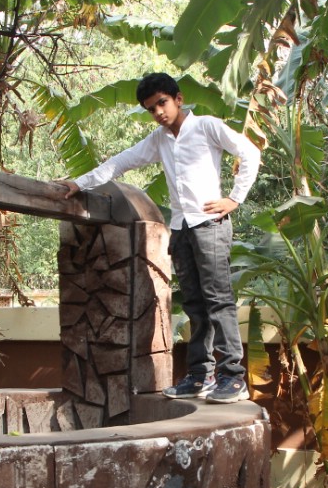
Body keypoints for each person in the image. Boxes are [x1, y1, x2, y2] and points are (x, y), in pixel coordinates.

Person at [59, 73, 260, 403]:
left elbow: (249, 152)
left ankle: (233, 377)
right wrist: (80, 184)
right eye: (151, 108)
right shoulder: (159, 140)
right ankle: (199, 375)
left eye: (162, 103)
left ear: (178, 99)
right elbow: (120, 162)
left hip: (210, 225)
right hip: (181, 228)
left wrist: (234, 199)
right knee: (195, 303)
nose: (158, 112)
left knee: (218, 299)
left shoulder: (206, 126)